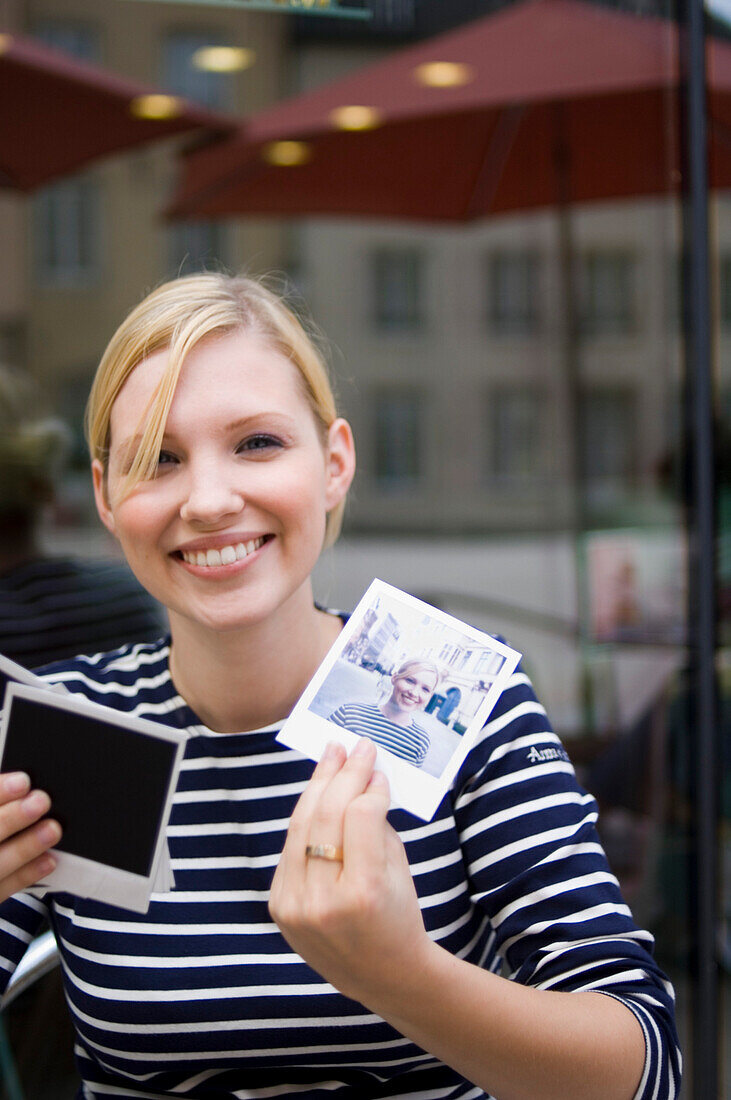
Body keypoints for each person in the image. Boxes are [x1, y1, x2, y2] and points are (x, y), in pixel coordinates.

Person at [0, 273, 680, 1100]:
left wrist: (399, 974)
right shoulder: (70, 725)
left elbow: (645, 1069)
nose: (210, 500)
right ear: (106, 495)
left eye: (256, 443)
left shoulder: (452, 695)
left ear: (334, 464)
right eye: (158, 460)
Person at [329, 658, 440, 767]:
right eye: (410, 681)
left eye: (425, 689)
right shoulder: (349, 714)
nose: (414, 693)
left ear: (430, 696)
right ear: (394, 678)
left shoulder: (421, 742)